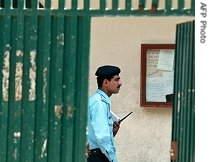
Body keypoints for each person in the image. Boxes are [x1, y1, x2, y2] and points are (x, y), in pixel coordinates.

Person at [87, 65, 122, 162]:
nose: (120, 83)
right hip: (97, 156)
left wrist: (112, 132)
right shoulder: (99, 103)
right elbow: (102, 137)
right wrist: (113, 159)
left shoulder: (97, 100)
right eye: (116, 80)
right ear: (106, 82)